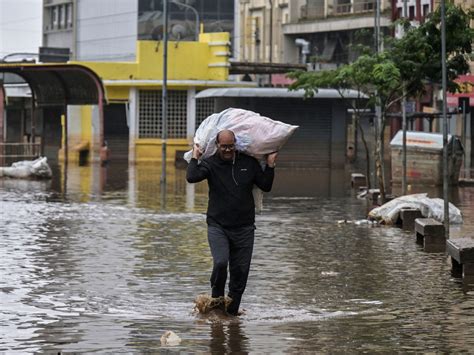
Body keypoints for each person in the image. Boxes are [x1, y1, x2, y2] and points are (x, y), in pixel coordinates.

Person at [186, 129, 278, 316]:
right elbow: (191, 177)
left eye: (231, 146)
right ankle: (217, 304)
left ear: (236, 145)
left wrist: (270, 165)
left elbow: (265, 185)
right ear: (217, 145)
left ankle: (232, 313)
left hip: (244, 228)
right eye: (224, 146)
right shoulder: (211, 164)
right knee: (220, 262)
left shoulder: (248, 163)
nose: (228, 150)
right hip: (218, 226)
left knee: (240, 272)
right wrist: (195, 157)